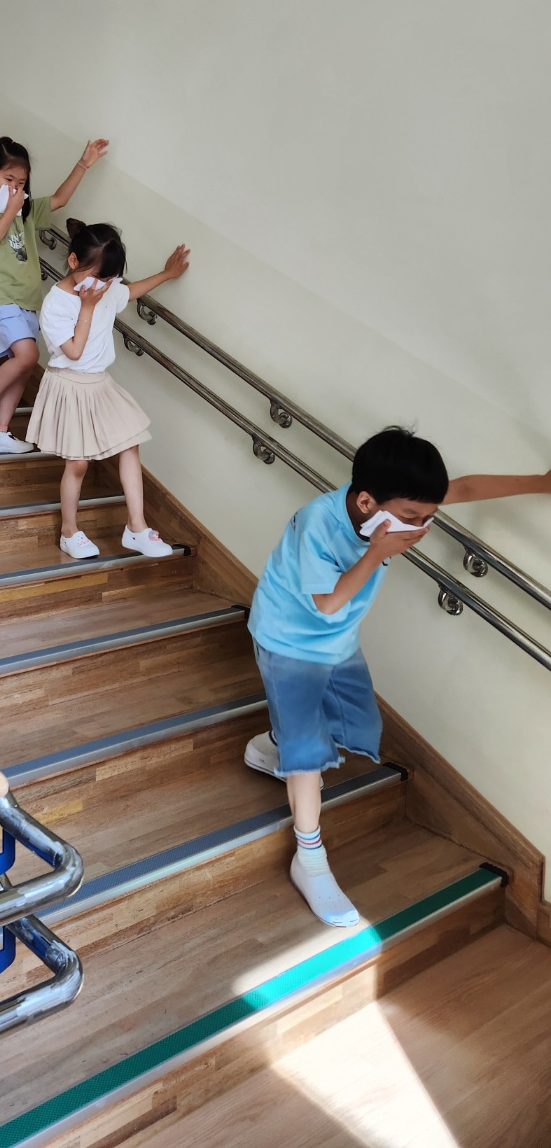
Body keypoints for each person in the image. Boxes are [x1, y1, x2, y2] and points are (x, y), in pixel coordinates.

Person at [244, 426, 551, 928]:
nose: (420, 527)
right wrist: (376, 552)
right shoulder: (318, 523)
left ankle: (276, 742)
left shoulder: (401, 503)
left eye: (428, 517)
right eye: (411, 518)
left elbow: (468, 487)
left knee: (355, 722)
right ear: (367, 502)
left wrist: (542, 483)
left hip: (337, 642)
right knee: (309, 755)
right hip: (289, 640)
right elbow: (328, 603)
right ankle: (310, 857)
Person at [28, 220, 189, 556]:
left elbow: (131, 291)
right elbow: (74, 351)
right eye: (99, 277)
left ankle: (136, 528)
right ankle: (69, 532)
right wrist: (87, 308)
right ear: (73, 261)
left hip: (100, 383)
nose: (104, 286)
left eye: (110, 278)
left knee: (130, 444)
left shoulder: (106, 287)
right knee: (78, 464)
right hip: (68, 385)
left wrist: (166, 274)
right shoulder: (57, 303)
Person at [0, 135, 109, 456]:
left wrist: (83, 164)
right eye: (8, 180)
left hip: (28, 301)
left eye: (21, 182)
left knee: (24, 365)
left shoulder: (25, 210)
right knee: (28, 356)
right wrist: (10, 211)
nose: (15, 188)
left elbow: (59, 199)